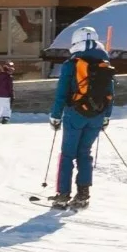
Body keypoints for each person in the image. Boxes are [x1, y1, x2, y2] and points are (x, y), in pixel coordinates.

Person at [49, 27, 117, 209]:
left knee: (67, 155)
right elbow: (110, 92)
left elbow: (62, 92)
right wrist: (106, 116)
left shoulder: (71, 64)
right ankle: (83, 194)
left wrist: (56, 115)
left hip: (75, 113)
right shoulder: (104, 64)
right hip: (97, 115)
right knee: (84, 153)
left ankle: (63, 195)